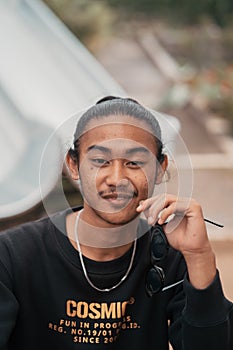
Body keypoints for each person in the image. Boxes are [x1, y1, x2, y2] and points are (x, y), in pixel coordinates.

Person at [0, 96, 232, 350]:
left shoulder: (172, 256)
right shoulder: (13, 255)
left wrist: (199, 256)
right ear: (74, 165)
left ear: (159, 167)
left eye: (134, 162)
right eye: (100, 161)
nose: (117, 178)